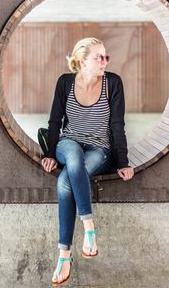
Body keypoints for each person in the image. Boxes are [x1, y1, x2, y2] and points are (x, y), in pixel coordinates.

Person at [40, 37, 135, 286]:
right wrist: (50, 153)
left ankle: (64, 255)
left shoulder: (112, 83)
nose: (104, 61)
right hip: (69, 142)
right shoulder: (65, 83)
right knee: (72, 157)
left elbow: (117, 124)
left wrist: (122, 161)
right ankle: (89, 228)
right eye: (98, 57)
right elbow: (54, 121)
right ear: (82, 61)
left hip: (99, 149)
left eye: (106, 57)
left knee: (65, 183)